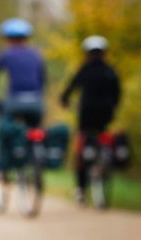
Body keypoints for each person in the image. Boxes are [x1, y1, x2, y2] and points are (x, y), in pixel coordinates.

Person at [0, 18, 46, 212]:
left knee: (4, 131)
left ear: (7, 38)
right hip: (37, 104)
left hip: (14, 103)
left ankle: (2, 169)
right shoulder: (37, 55)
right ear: (26, 38)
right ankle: (35, 154)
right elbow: (42, 80)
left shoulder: (6, 55)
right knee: (35, 130)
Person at [60, 35, 121, 205]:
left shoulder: (85, 69)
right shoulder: (110, 71)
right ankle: (104, 160)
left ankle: (80, 188)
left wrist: (64, 100)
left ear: (87, 52)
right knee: (102, 137)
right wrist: (112, 108)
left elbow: (70, 88)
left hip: (86, 115)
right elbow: (118, 94)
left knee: (82, 147)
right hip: (105, 115)